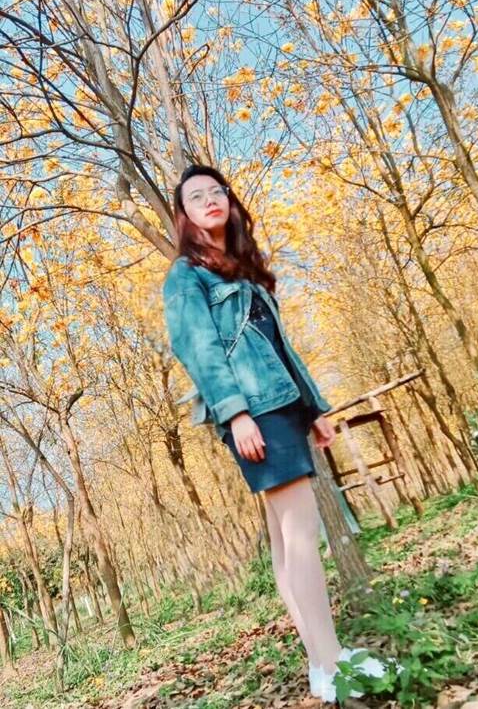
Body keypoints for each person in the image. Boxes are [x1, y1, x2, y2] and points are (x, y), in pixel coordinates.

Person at [163, 164, 388, 703]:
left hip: (282, 406)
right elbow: (199, 351)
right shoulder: (186, 276)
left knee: (288, 540)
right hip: (255, 413)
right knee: (303, 534)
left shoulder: (242, 270)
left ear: (229, 201)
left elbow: (280, 348)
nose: (209, 200)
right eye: (196, 196)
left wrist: (314, 407)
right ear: (185, 215)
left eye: (216, 191)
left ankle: (321, 662)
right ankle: (332, 663)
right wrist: (236, 414)